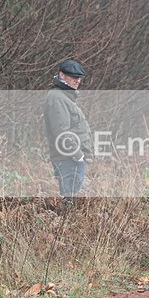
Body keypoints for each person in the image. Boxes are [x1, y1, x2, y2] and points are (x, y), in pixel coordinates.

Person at [44, 59, 93, 204]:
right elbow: (61, 132)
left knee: (72, 196)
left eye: (78, 78)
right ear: (62, 75)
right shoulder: (57, 98)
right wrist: (77, 155)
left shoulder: (65, 96)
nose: (77, 80)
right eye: (72, 77)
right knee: (69, 198)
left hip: (71, 157)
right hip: (67, 158)